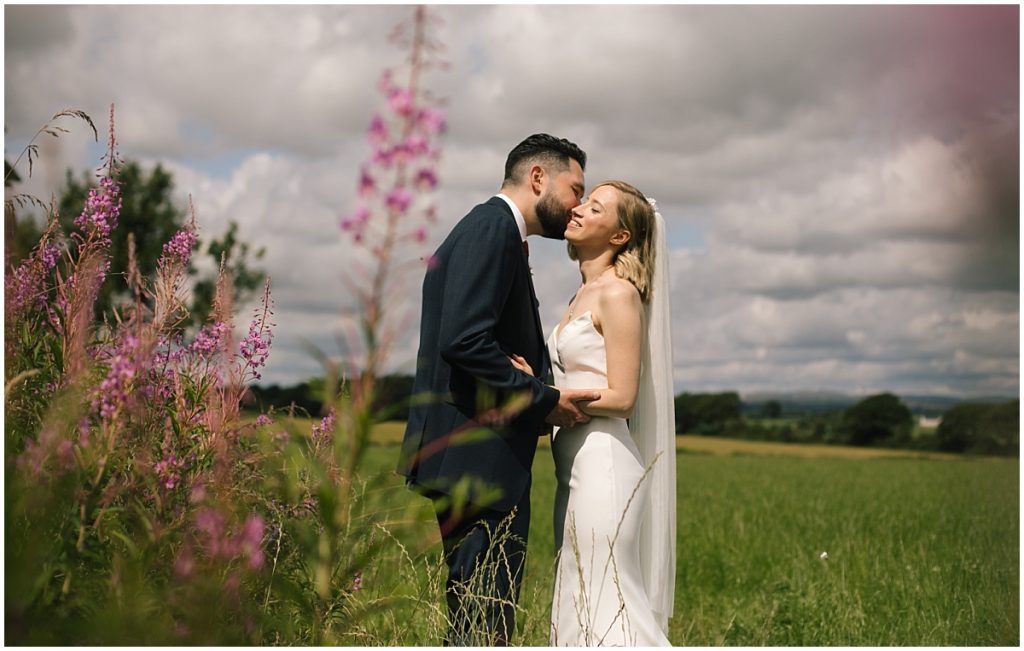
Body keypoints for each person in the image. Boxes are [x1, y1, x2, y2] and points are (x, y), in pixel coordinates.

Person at [397, 133, 602, 645]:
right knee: (482, 616)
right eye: (575, 189)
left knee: (479, 612)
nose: (578, 204)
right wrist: (543, 398)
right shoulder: (492, 227)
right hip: (476, 457)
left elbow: (472, 337)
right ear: (538, 178)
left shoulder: (495, 230)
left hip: (473, 455)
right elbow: (464, 339)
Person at [512, 180, 676, 645]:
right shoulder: (578, 297)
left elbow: (623, 397)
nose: (577, 209)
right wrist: (539, 391)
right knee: (578, 594)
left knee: (607, 600)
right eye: (583, 201)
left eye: (595, 207)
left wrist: (546, 397)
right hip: (573, 463)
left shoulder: (619, 295)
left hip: (604, 462)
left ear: (620, 236)